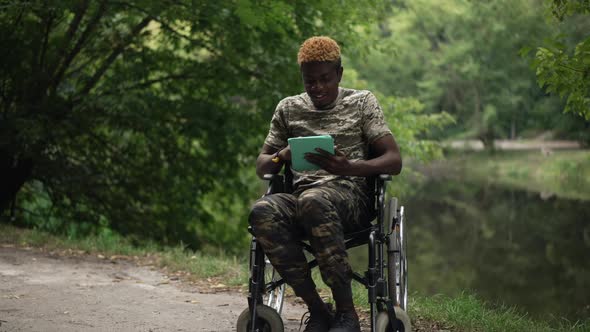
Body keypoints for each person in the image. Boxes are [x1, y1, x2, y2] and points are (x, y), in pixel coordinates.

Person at [249, 36, 402, 332]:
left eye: (325, 79)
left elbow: (393, 160)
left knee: (314, 201)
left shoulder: (361, 102)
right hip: (303, 197)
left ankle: (348, 314)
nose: (317, 88)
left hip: (351, 198)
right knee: (262, 211)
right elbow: (262, 166)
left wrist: (352, 167)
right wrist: (282, 155)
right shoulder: (289, 108)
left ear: (339, 74)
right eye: (310, 81)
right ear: (302, 78)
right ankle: (319, 311)